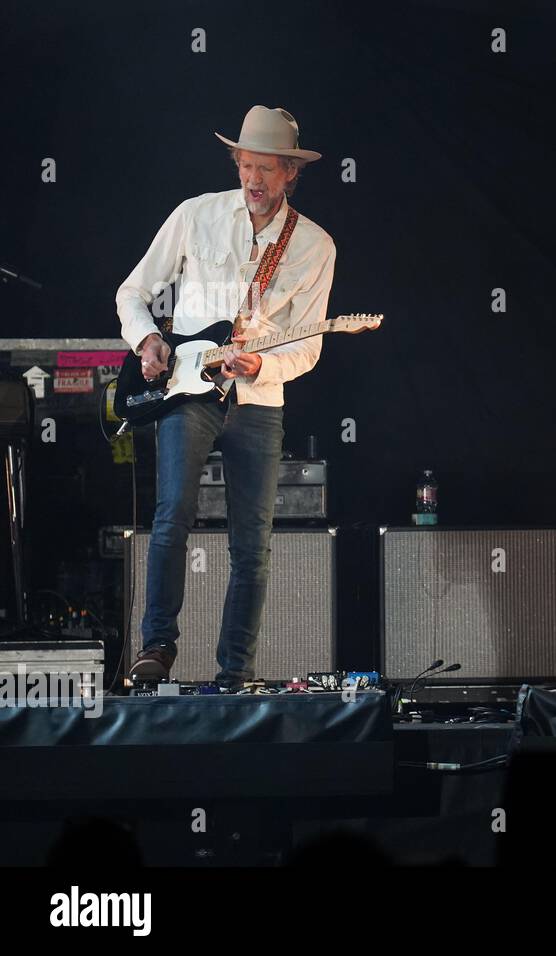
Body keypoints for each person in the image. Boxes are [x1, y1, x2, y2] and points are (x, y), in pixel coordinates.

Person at [116, 106, 336, 687]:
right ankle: (156, 647)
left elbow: (309, 347)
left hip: (259, 398)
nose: (254, 181)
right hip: (189, 389)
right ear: (236, 164)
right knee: (172, 518)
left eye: (266, 169)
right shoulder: (197, 215)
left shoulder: (314, 246)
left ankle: (235, 672)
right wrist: (147, 341)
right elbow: (132, 292)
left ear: (290, 172)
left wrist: (261, 360)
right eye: (246, 167)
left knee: (252, 546)